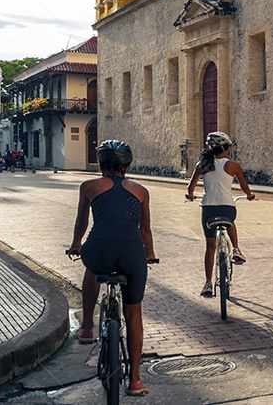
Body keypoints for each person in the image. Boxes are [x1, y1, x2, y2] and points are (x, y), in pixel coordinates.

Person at [67, 140, 157, 397]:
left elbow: (82, 221)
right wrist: (150, 253)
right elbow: (145, 229)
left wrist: (76, 245)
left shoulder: (89, 186)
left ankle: (86, 326)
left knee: (92, 268)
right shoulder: (141, 190)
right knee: (134, 311)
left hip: (98, 249)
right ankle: (136, 380)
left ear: (100, 164)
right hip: (132, 253)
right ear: (126, 166)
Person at [185, 131, 255, 298]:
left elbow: (190, 187)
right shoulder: (233, 165)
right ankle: (236, 249)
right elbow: (244, 186)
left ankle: (208, 283)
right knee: (230, 220)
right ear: (225, 148)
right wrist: (249, 195)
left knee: (210, 247)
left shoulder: (202, 164)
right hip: (227, 207)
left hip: (208, 208)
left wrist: (191, 196)